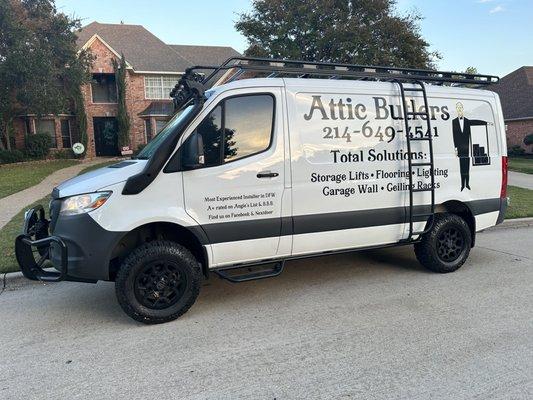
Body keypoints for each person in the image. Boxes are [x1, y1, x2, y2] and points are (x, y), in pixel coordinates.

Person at [451, 102, 489, 191]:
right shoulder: (454, 121)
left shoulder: (467, 121)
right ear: (456, 109)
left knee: (467, 168)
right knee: (461, 168)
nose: (459, 109)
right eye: (458, 107)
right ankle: (462, 185)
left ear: (462, 108)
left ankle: (467, 184)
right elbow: (454, 135)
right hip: (460, 149)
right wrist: (456, 148)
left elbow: (476, 122)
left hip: (467, 149)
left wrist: (486, 123)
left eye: (460, 107)